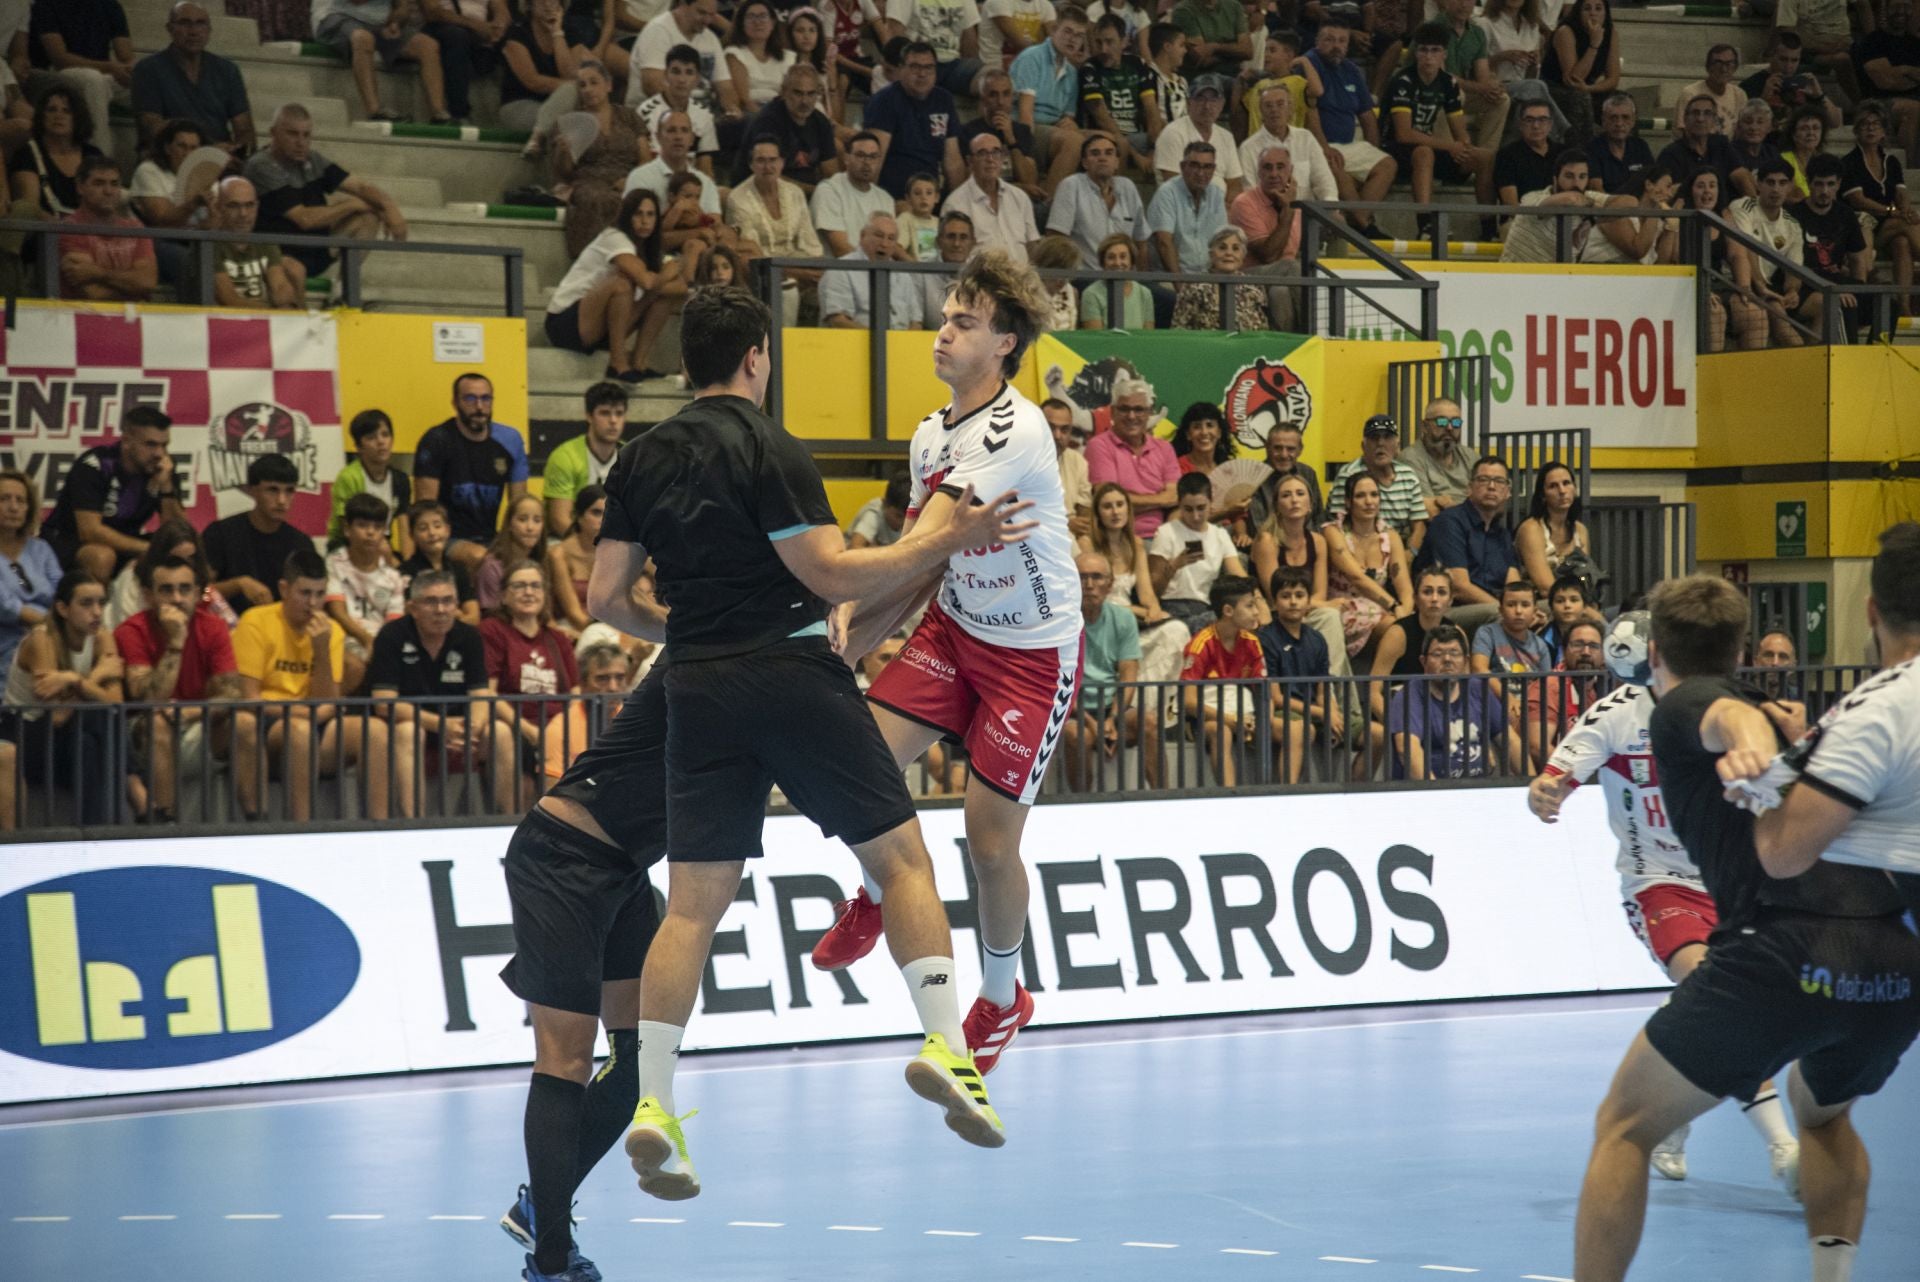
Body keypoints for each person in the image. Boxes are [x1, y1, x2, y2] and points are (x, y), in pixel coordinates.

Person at [601, 284, 1032, 1200]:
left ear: (687, 361)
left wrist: (682, 636)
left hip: (695, 686)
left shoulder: (639, 459)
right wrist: (941, 542)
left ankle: (653, 1107)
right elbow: (831, 571)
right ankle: (948, 1049)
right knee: (905, 861)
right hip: (792, 674)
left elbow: (604, 599)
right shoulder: (773, 448)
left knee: (689, 910)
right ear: (757, 357)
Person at [1571, 572, 1920, 1282]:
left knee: (1626, 1125)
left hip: (1781, 951)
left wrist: (1754, 746)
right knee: (1821, 1115)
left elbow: (1724, 716)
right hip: (1891, 961)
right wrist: (1775, 732)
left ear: (1656, 649)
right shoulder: (1802, 715)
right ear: (1739, 644)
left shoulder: (1679, 705)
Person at [813, 251, 1083, 1084]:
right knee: (860, 759)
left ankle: (1002, 1000)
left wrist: (846, 603)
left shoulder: (1016, 429)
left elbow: (914, 543)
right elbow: (929, 567)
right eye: (944, 315)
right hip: (958, 629)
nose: (943, 330)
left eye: (963, 321)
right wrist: (847, 639)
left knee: (989, 845)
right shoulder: (930, 433)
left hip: (1033, 657)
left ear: (1004, 342)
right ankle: (875, 890)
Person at [1529, 647, 1805, 1193]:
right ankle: (1784, 1148)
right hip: (1656, 881)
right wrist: (1546, 790)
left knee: (1718, 1005)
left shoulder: (1728, 708)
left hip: (1727, 878)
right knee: (1717, 989)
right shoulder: (1614, 714)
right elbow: (1556, 774)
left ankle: (1674, 1116)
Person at [232, 547, 393, 821]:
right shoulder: (255, 622)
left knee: (375, 730)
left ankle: (380, 827)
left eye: (320, 594)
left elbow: (326, 704)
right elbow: (250, 698)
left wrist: (320, 650)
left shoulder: (330, 632)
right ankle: (303, 828)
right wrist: (307, 712)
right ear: (284, 589)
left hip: (312, 721)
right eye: (304, 593)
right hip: (269, 727)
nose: (313, 603)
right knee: (300, 730)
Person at [366, 567, 509, 817]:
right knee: (408, 732)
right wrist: (441, 725)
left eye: (447, 601)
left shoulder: (469, 637)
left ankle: (507, 824)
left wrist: (471, 729)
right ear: (413, 608)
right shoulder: (391, 636)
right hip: (415, 725)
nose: (441, 610)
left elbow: (480, 696)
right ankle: (414, 823)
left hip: (458, 728)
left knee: (501, 732)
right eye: (431, 602)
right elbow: (384, 703)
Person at [115, 550, 241, 823]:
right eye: (167, 590)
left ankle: (260, 824)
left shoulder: (214, 627)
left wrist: (192, 712)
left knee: (245, 723)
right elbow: (148, 700)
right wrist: (175, 643)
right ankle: (166, 824)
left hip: (198, 720)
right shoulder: (130, 630)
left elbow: (232, 693)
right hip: (143, 729)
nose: (177, 599)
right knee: (158, 721)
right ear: (148, 595)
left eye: (185, 589)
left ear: (198, 593)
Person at [1, 572, 124, 825]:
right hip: (27, 731)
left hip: (69, 735)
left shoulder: (102, 637)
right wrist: (97, 675)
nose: (97, 612)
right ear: (63, 608)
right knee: (94, 720)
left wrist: (74, 681)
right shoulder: (42, 639)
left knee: (92, 736)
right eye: (86, 603)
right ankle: (127, 801)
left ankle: (97, 831)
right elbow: (56, 716)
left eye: (101, 603)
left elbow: (117, 704)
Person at [246, 102, 407, 279]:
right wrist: (354, 204)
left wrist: (389, 206)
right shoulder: (261, 165)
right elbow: (304, 219)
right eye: (292, 134)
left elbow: (361, 186)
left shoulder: (312, 159)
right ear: (273, 133)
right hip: (278, 254)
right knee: (294, 267)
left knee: (368, 219)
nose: (301, 142)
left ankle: (341, 294)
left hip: (315, 248)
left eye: (306, 135)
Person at [547, 190, 685, 383]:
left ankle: (639, 362)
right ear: (627, 216)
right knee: (621, 285)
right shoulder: (614, 238)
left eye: (650, 214)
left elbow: (681, 288)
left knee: (661, 297)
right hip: (565, 323)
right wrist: (666, 274)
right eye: (638, 214)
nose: (645, 221)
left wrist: (659, 281)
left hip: (602, 327)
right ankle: (618, 363)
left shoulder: (648, 249)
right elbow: (646, 281)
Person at [42, 407, 182, 584]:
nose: (159, 453)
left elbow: (176, 530)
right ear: (126, 441)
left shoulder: (162, 466)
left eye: (164, 445)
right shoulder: (95, 465)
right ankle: (96, 610)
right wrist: (150, 549)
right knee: (102, 557)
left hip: (125, 541)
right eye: (150, 444)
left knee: (180, 549)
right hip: (67, 540)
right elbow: (90, 531)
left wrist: (166, 487)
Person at [1060, 546, 1160, 789]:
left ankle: (1163, 796)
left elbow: (1128, 676)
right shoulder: (1059, 621)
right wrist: (1096, 724)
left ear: (1110, 583)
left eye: (1097, 577)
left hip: (1113, 708)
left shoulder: (1123, 618)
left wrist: (1112, 718)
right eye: (1082, 577)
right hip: (1073, 711)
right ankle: (1081, 805)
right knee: (1076, 735)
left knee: (1147, 721)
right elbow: (1059, 685)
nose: (1089, 584)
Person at [1386, 23, 1496, 238]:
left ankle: (1489, 228)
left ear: (1444, 54)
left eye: (1435, 50)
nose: (1429, 57)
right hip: (1395, 150)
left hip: (1427, 147)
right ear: (1416, 53)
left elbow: (1459, 130)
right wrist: (1450, 146)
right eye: (1423, 50)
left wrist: (1464, 148)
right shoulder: (1403, 81)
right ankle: (1426, 225)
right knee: (1424, 152)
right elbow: (1404, 134)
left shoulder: (1448, 82)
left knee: (1485, 157)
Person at [413, 372, 531, 569]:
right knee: (482, 558)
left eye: (485, 398)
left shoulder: (510, 440)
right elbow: (425, 509)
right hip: (448, 539)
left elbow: (519, 505)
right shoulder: (436, 441)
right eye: (470, 398)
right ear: (455, 403)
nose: (479, 407)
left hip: (491, 538)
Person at [482, 559, 578, 798]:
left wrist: (560, 728)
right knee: (504, 735)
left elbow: (576, 692)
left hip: (558, 725)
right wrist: (529, 730)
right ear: (503, 595)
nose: (528, 592)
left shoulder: (558, 638)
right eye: (520, 586)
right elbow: (488, 692)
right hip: (515, 723)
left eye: (536, 586)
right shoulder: (492, 631)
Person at [1386, 622, 1517, 780]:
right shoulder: (1409, 695)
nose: (1447, 659)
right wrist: (1437, 796)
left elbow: (1510, 741)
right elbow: (1407, 750)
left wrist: (1530, 783)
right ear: (1423, 662)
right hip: (1428, 795)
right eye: (1437, 654)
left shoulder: (1478, 688)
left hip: (1476, 792)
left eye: (1454, 653)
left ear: (1465, 660)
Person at [1302, 18, 1396, 236]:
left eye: (1342, 41)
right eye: (1330, 40)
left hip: (1349, 144)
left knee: (1388, 164)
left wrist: (1374, 148)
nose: (1337, 46)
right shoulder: (1307, 65)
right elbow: (1309, 111)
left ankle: (1357, 222)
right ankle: (1366, 227)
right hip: (1317, 143)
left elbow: (1366, 115)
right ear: (1317, 41)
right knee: (1338, 171)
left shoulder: (1352, 70)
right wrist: (1324, 148)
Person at [552, 61, 649, 260]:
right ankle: (595, 261)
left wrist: (631, 181)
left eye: (594, 82)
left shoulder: (629, 117)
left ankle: (638, 259)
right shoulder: (571, 122)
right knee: (598, 199)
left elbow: (645, 159)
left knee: (638, 200)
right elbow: (566, 172)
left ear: (608, 85)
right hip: (588, 181)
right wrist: (564, 152)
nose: (588, 89)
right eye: (582, 85)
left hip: (628, 179)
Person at [201, 455, 315, 618]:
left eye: (289, 491)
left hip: (282, 633)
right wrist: (237, 585)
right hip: (228, 632)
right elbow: (199, 592)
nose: (282, 500)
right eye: (272, 490)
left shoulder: (301, 543)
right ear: (252, 490)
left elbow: (311, 599)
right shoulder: (220, 533)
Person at [1420, 453, 1521, 633]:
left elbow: (1513, 585)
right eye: (1483, 480)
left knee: (1551, 611)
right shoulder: (1449, 522)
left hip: (1494, 607)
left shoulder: (1502, 534)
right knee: (1498, 615)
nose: (1491, 487)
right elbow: (1459, 587)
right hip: (1449, 610)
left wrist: (1524, 608)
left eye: (1499, 481)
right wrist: (1506, 610)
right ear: (1469, 488)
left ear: (1507, 492)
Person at [132, 2, 254, 149]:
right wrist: (207, 150)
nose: (194, 31)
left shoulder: (228, 70)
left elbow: (244, 128)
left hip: (219, 160)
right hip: (168, 158)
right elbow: (153, 128)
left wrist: (238, 151)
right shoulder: (148, 69)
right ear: (170, 29)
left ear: (209, 30)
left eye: (201, 23)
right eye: (185, 23)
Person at [1180, 574, 1264, 786]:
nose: (1257, 612)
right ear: (1228, 611)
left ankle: (1285, 798)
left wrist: (1261, 720)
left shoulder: (1252, 642)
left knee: (1291, 728)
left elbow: (1264, 692)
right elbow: (1189, 702)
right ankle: (1230, 796)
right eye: (1250, 605)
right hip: (1207, 720)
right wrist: (1229, 720)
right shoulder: (1201, 644)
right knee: (1222, 732)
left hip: (1246, 716)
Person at [309, 0, 450, 124]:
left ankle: (439, 113)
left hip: (381, 22)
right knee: (363, 38)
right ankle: (374, 111)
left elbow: (402, 8)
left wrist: (395, 22)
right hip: (342, 17)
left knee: (427, 45)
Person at [1841, 101, 1920, 319]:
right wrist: (1892, 211)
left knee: (1902, 242)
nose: (1871, 128)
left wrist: (1905, 210)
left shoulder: (1891, 161)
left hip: (1888, 225)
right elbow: (1857, 200)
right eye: (1865, 124)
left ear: (1884, 131)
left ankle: (1903, 305)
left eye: (1876, 124)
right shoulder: (1850, 161)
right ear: (1856, 130)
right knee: (1904, 224)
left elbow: (1901, 193)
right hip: (1862, 227)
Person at [1325, 470, 1413, 657]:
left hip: (1381, 611)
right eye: (1360, 496)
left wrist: (1406, 611)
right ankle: (1376, 684)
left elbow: (1404, 584)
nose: (1369, 501)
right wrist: (1394, 606)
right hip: (1343, 610)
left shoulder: (1390, 536)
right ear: (1348, 502)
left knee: (1415, 626)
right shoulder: (1334, 532)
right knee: (1395, 628)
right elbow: (1357, 578)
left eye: (1374, 495)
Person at [324, 492, 405, 692]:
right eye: (362, 525)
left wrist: (380, 646)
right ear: (347, 529)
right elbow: (336, 610)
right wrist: (366, 639)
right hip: (343, 639)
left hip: (382, 642)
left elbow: (394, 623)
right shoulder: (334, 562)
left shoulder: (393, 576)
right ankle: (333, 714)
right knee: (354, 665)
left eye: (377, 528)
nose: (370, 533)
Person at [26, 0, 133, 153]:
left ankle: (154, 150)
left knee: (147, 83)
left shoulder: (111, 5)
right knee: (93, 80)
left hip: (102, 74)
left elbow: (125, 55)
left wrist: (129, 70)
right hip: (57, 74)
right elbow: (60, 59)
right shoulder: (46, 5)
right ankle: (98, 158)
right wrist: (110, 67)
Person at [1149, 470, 1247, 631]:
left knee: (1237, 616)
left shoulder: (1219, 534)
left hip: (1206, 607)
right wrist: (1174, 566)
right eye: (1188, 509)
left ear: (1211, 502)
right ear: (1179, 504)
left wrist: (1258, 602)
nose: (1195, 516)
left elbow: (1239, 575)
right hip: (1173, 608)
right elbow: (1153, 590)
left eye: (1201, 508)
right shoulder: (1166, 533)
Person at [862, 41, 959, 200]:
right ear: (901, 69)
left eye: (928, 67)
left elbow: (953, 161)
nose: (922, 74)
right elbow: (874, 160)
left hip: (929, 197)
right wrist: (877, 204)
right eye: (915, 67)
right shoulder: (884, 101)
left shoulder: (944, 100)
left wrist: (957, 204)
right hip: (894, 197)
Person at [1085, 373, 1179, 537]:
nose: (1131, 416)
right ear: (1112, 412)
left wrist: (1130, 500)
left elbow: (1174, 496)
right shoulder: (1099, 446)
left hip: (1163, 537)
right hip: (1119, 538)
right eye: (1124, 409)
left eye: (1139, 409)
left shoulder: (1164, 448)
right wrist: (1160, 500)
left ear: (1149, 413)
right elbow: (1109, 501)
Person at [57, 157, 155, 302]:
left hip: (135, 319)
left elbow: (147, 281)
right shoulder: (69, 228)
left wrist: (97, 273)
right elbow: (93, 293)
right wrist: (134, 289)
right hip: (85, 318)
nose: (108, 191)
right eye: (99, 183)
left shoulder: (136, 228)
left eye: (114, 184)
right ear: (80, 187)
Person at [1046, 129, 1149, 267]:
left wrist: (1141, 284)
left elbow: (1141, 243)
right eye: (1095, 153)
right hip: (1085, 277)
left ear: (1117, 162)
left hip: (1123, 277)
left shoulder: (1128, 187)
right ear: (1084, 163)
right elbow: (1056, 239)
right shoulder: (1071, 185)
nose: (1102, 158)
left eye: (1109, 153)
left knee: (1161, 290)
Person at [1794, 153, 1870, 338]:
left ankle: (1875, 357)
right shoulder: (1794, 215)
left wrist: (1858, 289)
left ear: (1839, 184)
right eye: (1819, 184)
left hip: (1838, 280)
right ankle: (1849, 359)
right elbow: (1793, 268)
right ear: (1808, 182)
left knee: (1889, 306)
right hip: (1806, 284)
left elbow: (1857, 259)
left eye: (1830, 184)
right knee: (1845, 305)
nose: (1824, 191)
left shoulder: (1846, 214)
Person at [498, 0, 598, 136]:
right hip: (519, 104)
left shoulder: (570, 33)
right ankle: (539, 139)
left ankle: (537, 144)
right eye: (541, 1)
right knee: (567, 120)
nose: (547, 5)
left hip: (560, 105)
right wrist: (572, 87)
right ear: (529, 4)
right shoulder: (517, 33)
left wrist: (557, 33)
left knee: (582, 121)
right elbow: (533, 82)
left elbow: (569, 74)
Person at [1327, 414, 1426, 549]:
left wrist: (1410, 555)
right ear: (1363, 446)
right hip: (1358, 547)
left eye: (1387, 437)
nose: (1381, 443)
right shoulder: (1348, 475)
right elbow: (1338, 526)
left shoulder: (1408, 475)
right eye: (1374, 438)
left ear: (1397, 445)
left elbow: (1419, 525)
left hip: (1402, 546)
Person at [1079, 13, 1163, 171]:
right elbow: (1101, 117)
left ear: (1124, 41)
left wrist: (1153, 150)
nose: (1103, 49)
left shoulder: (1137, 64)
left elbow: (1151, 109)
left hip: (1138, 137)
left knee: (1171, 134)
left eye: (1109, 42)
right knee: (1120, 143)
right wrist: (1136, 156)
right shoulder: (1090, 69)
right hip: (1105, 135)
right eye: (1099, 42)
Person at [543, 383, 628, 538]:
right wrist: (592, 549)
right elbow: (560, 520)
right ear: (589, 416)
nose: (614, 420)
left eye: (619, 413)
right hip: (573, 542)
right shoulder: (565, 457)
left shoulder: (632, 458)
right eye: (605, 413)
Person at [208, 176, 306, 309]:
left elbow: (279, 286)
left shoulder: (265, 243)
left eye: (249, 205)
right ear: (218, 207)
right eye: (233, 206)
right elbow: (229, 300)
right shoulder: (208, 246)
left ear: (257, 206)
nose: (243, 214)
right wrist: (274, 314)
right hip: (222, 324)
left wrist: (286, 303)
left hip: (261, 320)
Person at [1369, 563, 1452, 720]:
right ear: (1415, 598)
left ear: (1451, 600)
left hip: (1437, 713)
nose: (1434, 599)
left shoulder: (1456, 633)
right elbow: (1373, 692)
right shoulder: (1398, 634)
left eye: (1441, 592)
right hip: (1397, 710)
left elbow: (1465, 685)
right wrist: (1397, 725)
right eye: (1427, 592)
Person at [944, 128, 1041, 261]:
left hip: (1021, 279)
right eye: (982, 153)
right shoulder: (955, 204)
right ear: (970, 162)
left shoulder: (1020, 197)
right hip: (981, 279)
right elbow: (953, 257)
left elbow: (1032, 246)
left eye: (995, 152)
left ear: (1003, 158)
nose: (990, 159)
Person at [0, 469, 59, 684]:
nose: (13, 507)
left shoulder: (41, 549)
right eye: (4, 499)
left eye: (20, 500)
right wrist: (58, 625)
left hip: (51, 638)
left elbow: (62, 593)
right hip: (8, 646)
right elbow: (7, 607)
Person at [9, 83, 102, 220]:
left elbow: (104, 201)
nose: (59, 115)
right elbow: (29, 209)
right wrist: (67, 230)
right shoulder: (26, 154)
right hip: (44, 235)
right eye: (51, 110)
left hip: (89, 232)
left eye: (67, 111)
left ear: (78, 118)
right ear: (41, 115)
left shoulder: (93, 155)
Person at [738, 64, 837, 189]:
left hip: (806, 193)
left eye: (811, 94)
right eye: (798, 93)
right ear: (784, 92)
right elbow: (767, 174)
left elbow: (830, 172)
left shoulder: (821, 121)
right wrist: (813, 191)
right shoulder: (767, 122)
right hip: (762, 191)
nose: (805, 101)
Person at [330, 409, 412, 555]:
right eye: (371, 437)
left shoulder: (400, 480)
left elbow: (405, 530)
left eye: (385, 435)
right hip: (347, 546)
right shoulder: (348, 478)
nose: (381, 442)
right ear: (358, 447)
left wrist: (408, 566)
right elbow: (347, 528)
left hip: (384, 544)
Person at [1500, 148, 1604, 263]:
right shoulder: (1532, 198)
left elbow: (1625, 204)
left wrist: (1591, 220)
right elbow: (1571, 198)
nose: (1576, 183)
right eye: (1569, 176)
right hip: (1515, 277)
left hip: (1558, 278)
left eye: (1582, 177)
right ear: (1555, 180)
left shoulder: (1586, 198)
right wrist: (1593, 210)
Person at [1152, 73, 1244, 198]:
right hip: (1181, 209)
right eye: (1200, 99)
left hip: (1221, 210)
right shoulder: (1173, 133)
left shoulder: (1226, 136)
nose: (1207, 106)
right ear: (1189, 103)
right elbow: (1174, 186)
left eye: (1213, 100)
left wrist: (1224, 209)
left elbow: (1235, 185)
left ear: (1222, 104)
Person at [419, 0, 509, 124]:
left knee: (516, 39)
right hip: (445, 25)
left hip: (481, 30)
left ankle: (517, 109)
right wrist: (475, 25)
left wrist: (499, 26)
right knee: (457, 37)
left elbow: (501, 9)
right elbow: (433, 12)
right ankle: (458, 113)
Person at [1542, 0, 1618, 146]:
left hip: (1587, 88)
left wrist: (1590, 88)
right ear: (1578, 12)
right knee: (1579, 97)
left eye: (1598, 8)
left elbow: (1613, 78)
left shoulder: (1611, 32)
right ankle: (1585, 150)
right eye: (1587, 9)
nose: (1593, 13)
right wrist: (1594, 45)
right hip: (1555, 88)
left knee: (1623, 100)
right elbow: (1574, 79)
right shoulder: (1566, 31)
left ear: (1605, 12)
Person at [812, 132, 901, 256]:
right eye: (860, 155)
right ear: (846, 158)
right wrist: (870, 270)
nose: (867, 162)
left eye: (873, 157)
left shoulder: (885, 199)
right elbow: (840, 248)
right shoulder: (829, 190)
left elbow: (887, 246)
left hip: (874, 270)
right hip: (839, 270)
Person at [1513, 459, 1591, 596]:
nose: (1562, 491)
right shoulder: (1531, 528)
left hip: (1574, 604)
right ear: (1543, 495)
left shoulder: (1580, 530)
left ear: (1575, 489)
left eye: (1566, 483)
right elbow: (1545, 587)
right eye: (1553, 486)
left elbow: (1585, 577)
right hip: (1537, 605)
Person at [1581, 160, 1680, 265]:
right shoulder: (1622, 206)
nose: (1670, 195)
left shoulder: (1657, 223)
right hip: (1597, 273)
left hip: (1633, 278)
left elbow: (1661, 266)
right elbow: (1637, 251)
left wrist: (1671, 228)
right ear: (1649, 184)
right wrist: (1654, 210)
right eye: (1668, 186)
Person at [398, 500, 480, 624]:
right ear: (412, 535)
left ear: (447, 530)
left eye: (437, 526)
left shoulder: (458, 569)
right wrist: (456, 613)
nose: (432, 533)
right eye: (423, 528)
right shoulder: (405, 572)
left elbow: (474, 618)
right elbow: (416, 615)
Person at [1171, 224, 1268, 329]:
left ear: (1243, 255)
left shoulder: (1253, 286)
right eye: (1222, 248)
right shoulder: (1194, 285)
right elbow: (1179, 327)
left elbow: (1262, 327)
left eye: (1235, 248)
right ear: (1211, 254)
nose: (1229, 253)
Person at [1745, 27, 1840, 132]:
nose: (1788, 66)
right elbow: (1745, 127)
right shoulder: (1752, 84)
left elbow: (1835, 122)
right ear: (1772, 56)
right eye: (1783, 59)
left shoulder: (1803, 82)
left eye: (1794, 60)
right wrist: (1763, 99)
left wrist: (1820, 95)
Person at [721, 0, 794, 120]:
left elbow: (789, 94)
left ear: (773, 23)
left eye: (763, 16)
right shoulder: (734, 53)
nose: (757, 22)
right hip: (749, 114)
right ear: (742, 24)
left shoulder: (788, 57)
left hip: (782, 112)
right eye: (751, 17)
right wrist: (766, 118)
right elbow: (744, 99)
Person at [475, 495, 547, 614]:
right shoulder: (492, 566)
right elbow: (490, 615)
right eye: (522, 519)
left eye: (537, 520)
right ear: (509, 525)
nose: (530, 527)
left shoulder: (543, 561)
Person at [1245, 422, 1320, 532]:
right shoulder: (1253, 477)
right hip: (1269, 543)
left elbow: (1318, 518)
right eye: (1277, 448)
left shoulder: (1308, 473)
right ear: (1267, 448)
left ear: (1300, 450)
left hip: (1308, 541)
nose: (1284, 455)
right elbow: (1260, 527)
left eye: (1290, 449)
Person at [1404, 398, 1472, 514]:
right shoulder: (1411, 458)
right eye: (1442, 422)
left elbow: (1488, 504)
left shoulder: (1470, 456)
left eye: (1456, 423)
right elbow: (1430, 512)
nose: (1450, 428)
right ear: (1425, 426)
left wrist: (1450, 505)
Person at [1584, 91, 1650, 195]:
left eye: (1625, 117)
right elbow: (1597, 190)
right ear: (1603, 121)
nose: (1619, 123)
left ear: (1633, 121)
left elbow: (1653, 184)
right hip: (1607, 207)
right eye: (1613, 118)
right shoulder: (1592, 149)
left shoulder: (1641, 147)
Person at [1495, 99, 1556, 208]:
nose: (1536, 126)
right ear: (1520, 125)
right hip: (1520, 219)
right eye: (1529, 120)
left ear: (1550, 124)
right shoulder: (1506, 155)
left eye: (1542, 119)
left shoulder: (1564, 153)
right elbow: (1511, 205)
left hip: (1560, 219)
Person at [1679, 43, 1749, 138]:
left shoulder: (1739, 95)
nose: (1724, 69)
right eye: (1718, 63)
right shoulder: (1691, 93)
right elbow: (1684, 132)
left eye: (1729, 64)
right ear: (1708, 67)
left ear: (1735, 68)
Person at [1170, 0, 1249, 79]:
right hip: (1202, 77)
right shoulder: (1184, 10)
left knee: (1257, 80)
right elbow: (1202, 58)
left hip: (1234, 74)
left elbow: (1248, 51)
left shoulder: (1234, 6)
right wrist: (1235, 53)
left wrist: (1214, 47)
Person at [848, 474, 911, 549]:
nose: (903, 523)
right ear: (885, 504)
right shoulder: (874, 513)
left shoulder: (915, 517)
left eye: (908, 517)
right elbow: (854, 547)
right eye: (898, 516)